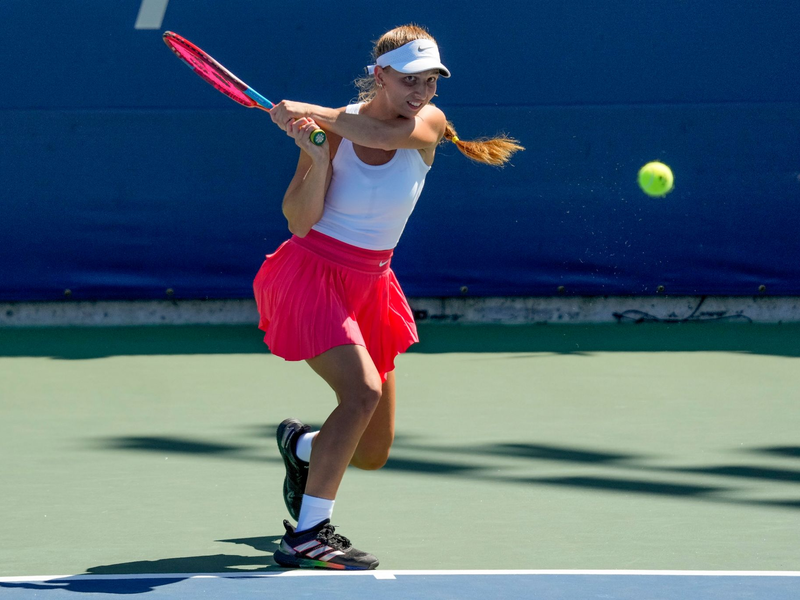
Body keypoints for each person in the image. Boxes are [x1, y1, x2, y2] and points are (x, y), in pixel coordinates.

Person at [253, 24, 523, 570]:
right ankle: (308, 534)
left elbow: (378, 137)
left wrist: (307, 113)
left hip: (372, 286)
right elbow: (299, 223)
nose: (421, 93)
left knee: (372, 451)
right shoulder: (331, 131)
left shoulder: (427, 124)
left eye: (430, 82)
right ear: (380, 76)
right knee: (361, 393)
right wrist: (320, 156)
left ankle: (302, 447)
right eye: (408, 81)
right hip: (313, 277)